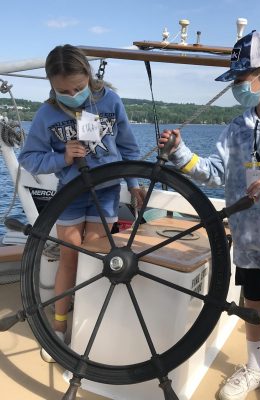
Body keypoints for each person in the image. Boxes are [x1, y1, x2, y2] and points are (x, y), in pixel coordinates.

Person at [159, 31, 260, 400]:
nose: (237, 87)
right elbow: (214, 171)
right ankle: (253, 368)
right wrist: (178, 152)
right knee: (252, 306)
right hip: (248, 243)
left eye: (240, 79)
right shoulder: (237, 127)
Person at [18, 44, 144, 360]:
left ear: (88, 75)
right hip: (71, 197)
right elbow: (30, 158)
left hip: (106, 192)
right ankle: (60, 327)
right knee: (70, 258)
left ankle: (88, 327)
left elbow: (128, 148)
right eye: (63, 90)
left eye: (78, 87)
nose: (72, 93)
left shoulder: (110, 102)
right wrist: (62, 157)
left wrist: (135, 184)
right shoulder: (47, 114)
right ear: (51, 86)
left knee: (94, 258)